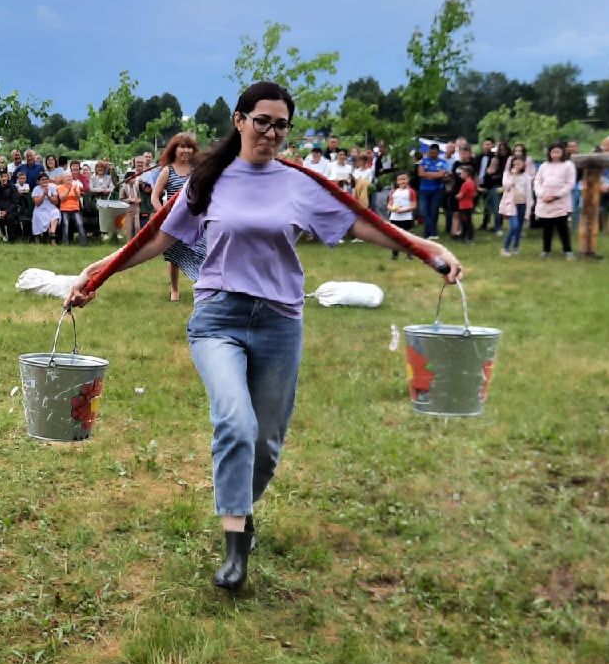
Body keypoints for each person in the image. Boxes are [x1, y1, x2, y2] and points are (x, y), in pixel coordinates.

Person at [66, 82, 461, 592]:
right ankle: (235, 546)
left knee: (268, 443)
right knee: (235, 421)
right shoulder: (209, 180)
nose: (271, 133)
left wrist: (425, 248)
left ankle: (242, 510)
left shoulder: (298, 183)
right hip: (218, 319)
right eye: (262, 122)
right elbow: (159, 236)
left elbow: (363, 224)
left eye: (281, 125)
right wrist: (96, 272)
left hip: (279, 322)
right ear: (239, 121)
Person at [151, 133, 200, 300]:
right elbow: (154, 197)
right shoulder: (167, 170)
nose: (186, 151)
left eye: (189, 147)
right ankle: (174, 289)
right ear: (174, 149)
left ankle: (200, 285)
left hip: (195, 219)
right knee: (174, 256)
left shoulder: (197, 169)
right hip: (174, 220)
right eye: (182, 147)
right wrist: (164, 215)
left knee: (201, 253)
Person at [533, 142, 577, 258]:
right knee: (547, 227)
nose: (555, 155)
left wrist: (556, 195)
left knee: (562, 227)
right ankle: (546, 250)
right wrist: (542, 195)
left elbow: (570, 183)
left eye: (558, 152)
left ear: (563, 152)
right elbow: (537, 181)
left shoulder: (568, 165)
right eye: (553, 152)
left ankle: (567, 250)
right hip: (545, 200)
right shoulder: (544, 166)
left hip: (560, 200)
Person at [499, 148, 532, 254]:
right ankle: (505, 247)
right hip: (511, 204)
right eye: (514, 164)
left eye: (519, 164)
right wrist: (513, 176)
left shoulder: (526, 177)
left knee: (519, 227)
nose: (516, 166)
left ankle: (516, 247)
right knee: (514, 226)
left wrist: (529, 206)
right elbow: (507, 187)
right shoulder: (507, 175)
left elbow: (528, 192)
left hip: (522, 204)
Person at [417, 143, 448, 237]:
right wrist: (436, 175)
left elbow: (443, 174)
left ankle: (428, 233)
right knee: (423, 211)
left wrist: (428, 174)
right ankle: (432, 231)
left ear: (438, 153)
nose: (432, 154)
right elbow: (421, 173)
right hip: (424, 190)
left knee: (434, 211)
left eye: (434, 153)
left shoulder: (443, 162)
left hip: (437, 190)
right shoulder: (423, 161)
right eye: (430, 152)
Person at [56, 163, 88, 247]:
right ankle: (65, 242)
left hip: (75, 209)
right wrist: (68, 190)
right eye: (67, 177)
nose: (69, 179)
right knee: (65, 225)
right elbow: (62, 198)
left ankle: (83, 243)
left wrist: (76, 192)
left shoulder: (75, 186)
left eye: (70, 177)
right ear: (63, 179)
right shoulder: (60, 187)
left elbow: (78, 198)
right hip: (65, 209)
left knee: (80, 224)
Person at [386, 172, 416, 258]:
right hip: (395, 217)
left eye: (404, 179)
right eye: (400, 179)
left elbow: (413, 205)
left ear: (408, 180)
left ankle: (409, 254)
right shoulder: (394, 192)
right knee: (394, 236)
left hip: (407, 217)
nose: (402, 181)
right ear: (397, 181)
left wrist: (403, 210)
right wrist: (392, 209)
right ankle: (395, 254)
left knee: (408, 236)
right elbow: (389, 204)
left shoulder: (411, 191)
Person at [0, 169, 20, 241]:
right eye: (2, 177)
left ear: (8, 177)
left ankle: (11, 238)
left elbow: (15, 202)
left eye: (5, 176)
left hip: (10, 210)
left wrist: (6, 211)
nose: (3, 178)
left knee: (10, 218)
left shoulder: (13, 187)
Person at [31, 172, 60, 242]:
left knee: (56, 212)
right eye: (43, 179)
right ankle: (39, 236)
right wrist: (44, 194)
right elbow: (37, 203)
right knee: (37, 215)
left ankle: (52, 233)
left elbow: (56, 202)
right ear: (39, 181)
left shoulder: (52, 187)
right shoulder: (36, 189)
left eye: (46, 179)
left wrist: (48, 195)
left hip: (51, 206)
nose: (45, 181)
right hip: (40, 207)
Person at [456, 164, 477, 243]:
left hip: (464, 206)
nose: (461, 174)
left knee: (466, 222)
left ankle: (468, 237)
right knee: (466, 221)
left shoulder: (465, 184)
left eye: (462, 173)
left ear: (467, 173)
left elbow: (460, 195)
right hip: (469, 204)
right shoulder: (472, 183)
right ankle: (463, 237)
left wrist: (456, 196)